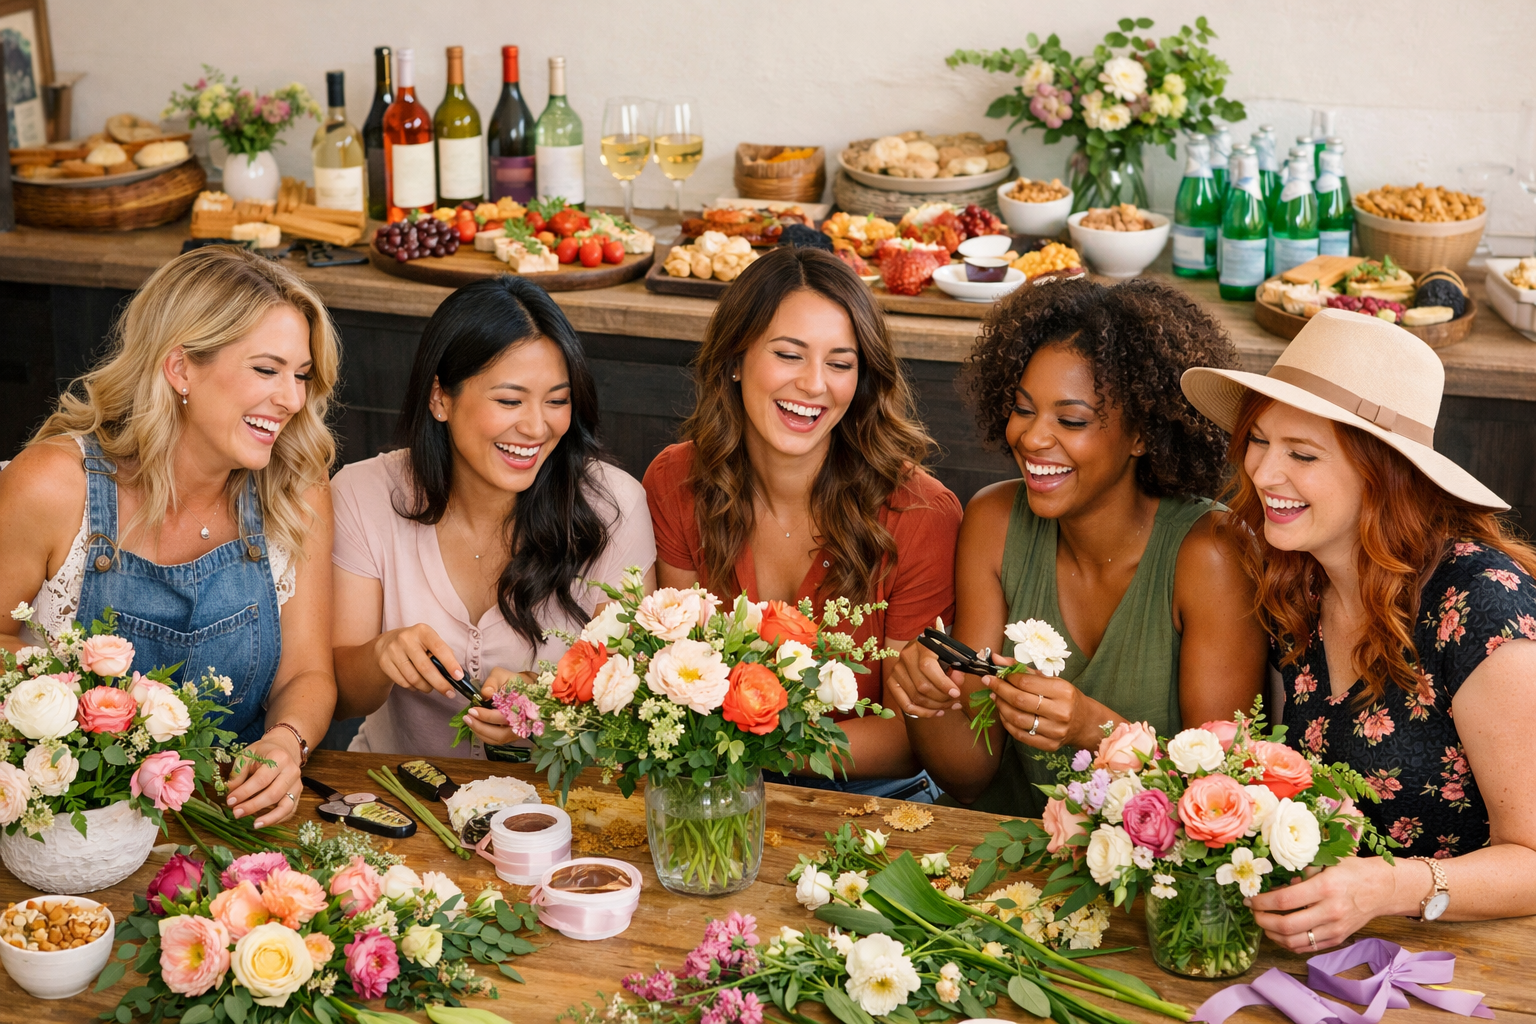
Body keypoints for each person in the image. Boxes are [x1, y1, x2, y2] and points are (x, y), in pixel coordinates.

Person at [1181, 308, 1536, 948]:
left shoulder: (1480, 606)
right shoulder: (1297, 579)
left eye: (1303, 453)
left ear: (1384, 474)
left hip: (1476, 961)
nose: (1261, 474)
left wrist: (1384, 886)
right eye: (1258, 439)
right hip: (1336, 955)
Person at [889, 277, 1268, 814]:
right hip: (1004, 862)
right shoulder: (994, 522)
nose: (1032, 438)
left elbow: (1225, 797)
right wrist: (926, 703)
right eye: (1023, 409)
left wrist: (1095, 729)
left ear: (1143, 435)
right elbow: (972, 777)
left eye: (1071, 420)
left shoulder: (1210, 555)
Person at [0, 246, 339, 827]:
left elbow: (308, 673)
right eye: (267, 369)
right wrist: (91, 710)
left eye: (301, 375)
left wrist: (288, 741)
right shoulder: (54, 486)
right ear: (180, 367)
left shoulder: (295, 491)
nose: (292, 399)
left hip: (230, 817)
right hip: (75, 819)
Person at [643, 246, 961, 801]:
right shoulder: (676, 481)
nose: (815, 384)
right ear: (736, 358)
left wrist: (759, 747)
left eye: (840, 363)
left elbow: (911, 729)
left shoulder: (921, 512)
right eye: (790, 355)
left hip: (879, 795)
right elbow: (679, 671)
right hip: (715, 784)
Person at [331, 276, 656, 758]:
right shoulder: (362, 495)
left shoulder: (614, 507)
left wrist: (546, 698)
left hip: (557, 806)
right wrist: (382, 657)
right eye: (509, 400)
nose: (535, 426)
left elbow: (633, 693)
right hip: (401, 794)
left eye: (557, 400)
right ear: (440, 397)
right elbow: (342, 698)